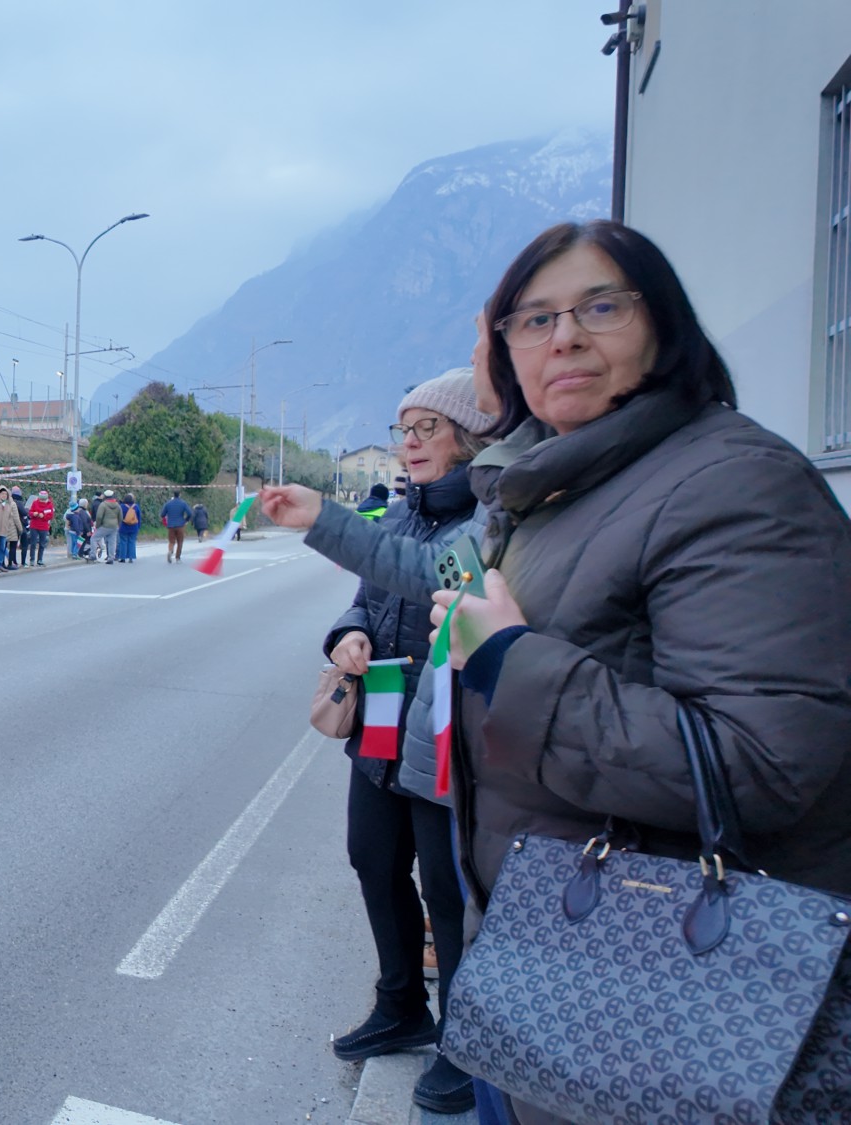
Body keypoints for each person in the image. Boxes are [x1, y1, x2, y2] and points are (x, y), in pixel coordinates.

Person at [419, 223, 851, 1125]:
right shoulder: (560, 485)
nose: (565, 338)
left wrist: (505, 659)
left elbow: (759, 764)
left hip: (666, 993)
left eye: (601, 306)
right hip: (544, 960)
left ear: (664, 326)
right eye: (534, 319)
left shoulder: (735, 483)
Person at [315, 370, 492, 1116]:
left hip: (442, 730)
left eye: (427, 429)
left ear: (468, 438)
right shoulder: (396, 515)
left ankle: (462, 1038)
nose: (410, 444)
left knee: (447, 891)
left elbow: (442, 591)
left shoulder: (484, 524)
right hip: (382, 720)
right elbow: (364, 598)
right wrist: (348, 633)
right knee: (373, 859)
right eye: (403, 430)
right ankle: (401, 1005)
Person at [25, 489, 54, 566]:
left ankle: (40, 559)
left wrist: (43, 516)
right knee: (33, 543)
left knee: (42, 544)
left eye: (43, 500)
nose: (42, 501)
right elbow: (30, 512)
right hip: (34, 526)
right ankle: (32, 559)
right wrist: (34, 514)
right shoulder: (35, 503)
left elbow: (50, 516)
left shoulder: (49, 505)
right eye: (41, 499)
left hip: (44, 527)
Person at [160, 490, 191, 563]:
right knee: (180, 542)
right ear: (180, 494)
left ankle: (170, 551)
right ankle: (177, 558)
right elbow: (190, 513)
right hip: (180, 525)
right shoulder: (183, 503)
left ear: (173, 495)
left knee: (171, 541)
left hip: (170, 525)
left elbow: (162, 514)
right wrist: (186, 520)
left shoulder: (168, 503)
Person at [93, 490, 123, 563]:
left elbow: (99, 516)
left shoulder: (103, 505)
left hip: (105, 526)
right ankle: (111, 558)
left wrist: (98, 526)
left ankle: (92, 555)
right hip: (114, 526)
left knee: (94, 538)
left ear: (105, 496)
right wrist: (118, 524)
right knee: (112, 542)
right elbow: (121, 517)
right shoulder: (117, 505)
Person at [118, 493, 142, 562]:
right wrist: (138, 526)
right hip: (134, 527)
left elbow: (119, 516)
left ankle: (123, 557)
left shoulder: (122, 506)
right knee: (132, 542)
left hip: (123, 526)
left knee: (123, 542)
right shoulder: (136, 506)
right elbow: (139, 517)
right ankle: (131, 557)